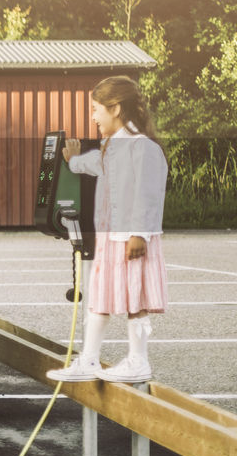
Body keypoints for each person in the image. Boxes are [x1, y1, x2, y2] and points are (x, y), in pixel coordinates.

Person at [48, 76, 168, 384]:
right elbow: (93, 166)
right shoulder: (112, 147)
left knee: (135, 300)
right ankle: (89, 358)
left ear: (115, 108)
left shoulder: (142, 147)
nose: (93, 117)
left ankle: (138, 359)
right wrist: (73, 161)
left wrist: (139, 233)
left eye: (96, 109)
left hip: (130, 239)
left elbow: (149, 192)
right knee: (98, 297)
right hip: (109, 240)